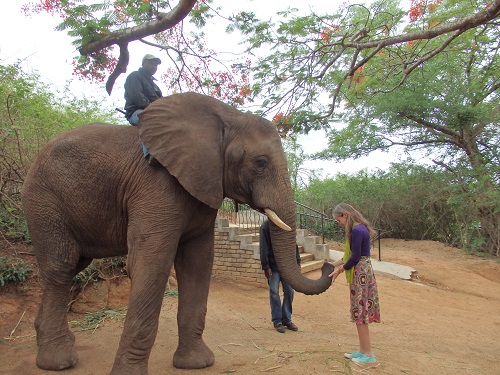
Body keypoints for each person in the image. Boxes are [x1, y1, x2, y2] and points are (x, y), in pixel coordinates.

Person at [329, 203, 381, 364]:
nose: (339, 223)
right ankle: (362, 351)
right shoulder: (359, 228)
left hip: (361, 274)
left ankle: (369, 355)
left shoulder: (357, 230)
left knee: (361, 313)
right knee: (359, 313)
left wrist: (340, 270)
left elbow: (354, 257)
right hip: (361, 272)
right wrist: (332, 265)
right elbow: (348, 256)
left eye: (339, 220)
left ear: (345, 215)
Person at [260, 218, 301, 333]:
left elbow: (293, 243)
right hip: (273, 267)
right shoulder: (266, 226)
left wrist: (297, 262)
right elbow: (263, 247)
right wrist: (265, 266)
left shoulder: (286, 223)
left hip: (287, 266)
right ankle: (277, 321)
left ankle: (287, 319)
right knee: (274, 292)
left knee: (290, 292)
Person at [124, 54, 163, 162]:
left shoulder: (155, 85)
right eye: (151, 63)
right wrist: (157, 110)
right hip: (136, 112)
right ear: (143, 63)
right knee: (148, 118)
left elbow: (162, 102)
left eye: (156, 65)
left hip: (156, 112)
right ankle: (150, 153)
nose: (154, 66)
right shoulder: (134, 76)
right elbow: (139, 99)